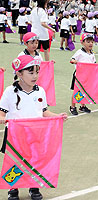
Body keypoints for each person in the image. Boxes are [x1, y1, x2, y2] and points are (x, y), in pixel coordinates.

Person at [0, 55, 67, 200]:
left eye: (37, 71)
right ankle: (13, 188)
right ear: (19, 73)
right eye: (31, 72)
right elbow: (1, 114)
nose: (35, 76)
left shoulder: (40, 91)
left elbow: (44, 112)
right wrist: (4, 120)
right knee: (15, 161)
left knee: (35, 160)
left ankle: (34, 187)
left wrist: (57, 116)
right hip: (15, 134)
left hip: (36, 133)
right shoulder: (10, 92)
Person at [69, 33, 95, 115]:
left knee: (84, 91)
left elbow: (93, 64)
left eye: (91, 41)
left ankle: (82, 106)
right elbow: (72, 59)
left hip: (87, 76)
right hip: (79, 76)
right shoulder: (80, 52)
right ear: (82, 43)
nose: (90, 43)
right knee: (77, 91)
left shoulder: (92, 54)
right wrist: (75, 61)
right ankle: (73, 106)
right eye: (88, 41)